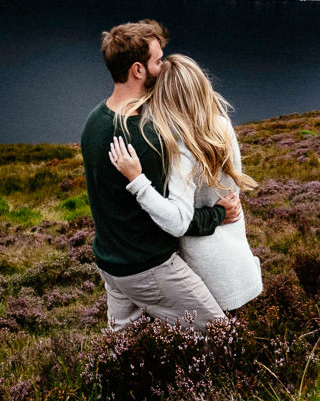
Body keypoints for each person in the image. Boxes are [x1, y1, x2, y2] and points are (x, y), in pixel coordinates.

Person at [80, 20, 242, 332]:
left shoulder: (95, 121)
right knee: (220, 335)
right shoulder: (148, 139)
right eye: (158, 61)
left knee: (122, 346)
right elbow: (173, 219)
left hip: (110, 265)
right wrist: (219, 214)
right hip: (149, 268)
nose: (163, 66)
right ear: (138, 70)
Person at [108, 54, 262, 311]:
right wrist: (218, 213)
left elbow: (177, 221)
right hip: (235, 265)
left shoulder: (182, 150)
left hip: (206, 276)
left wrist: (136, 180)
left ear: (165, 99)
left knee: (212, 335)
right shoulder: (221, 125)